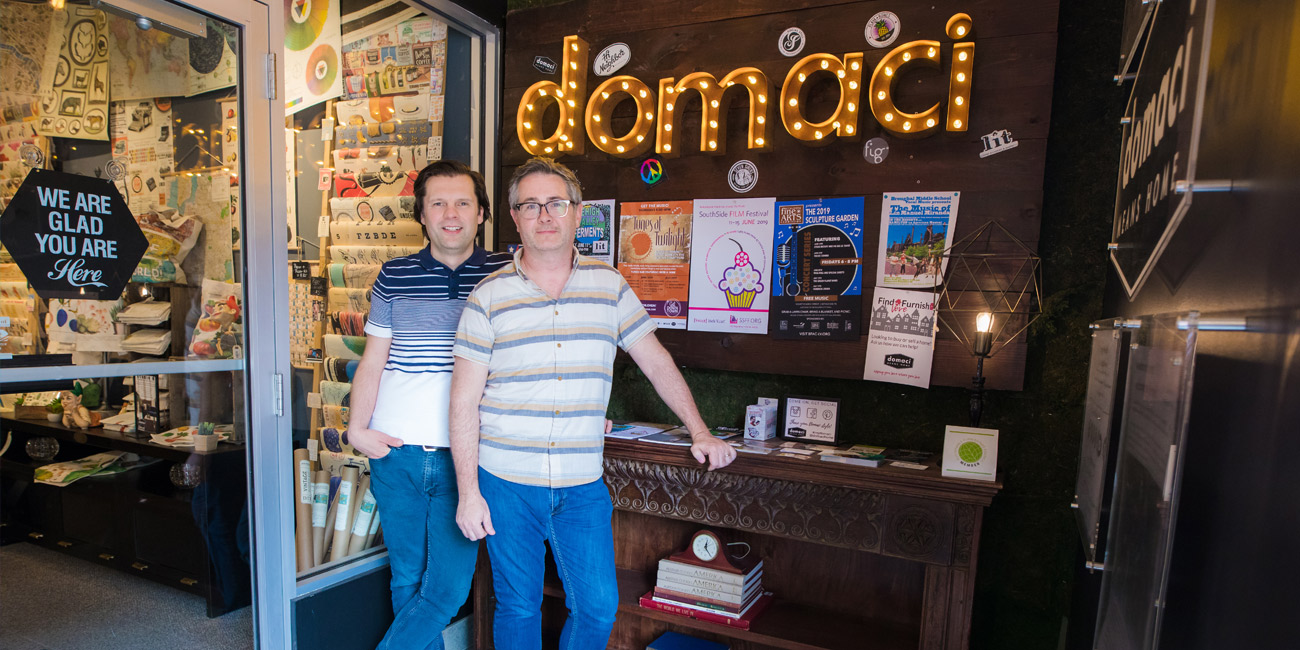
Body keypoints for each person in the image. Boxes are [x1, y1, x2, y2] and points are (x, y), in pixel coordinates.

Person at [448, 158, 737, 650]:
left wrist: (700, 430)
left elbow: (656, 360)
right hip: (505, 482)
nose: (545, 215)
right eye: (531, 205)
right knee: (518, 605)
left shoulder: (610, 285)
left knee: (598, 606)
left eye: (556, 204)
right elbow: (462, 403)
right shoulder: (488, 296)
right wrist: (469, 492)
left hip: (581, 483)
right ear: (514, 217)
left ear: (577, 213)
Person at [347, 160, 511, 650]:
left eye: (462, 202)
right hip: (395, 454)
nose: (450, 213)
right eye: (437, 202)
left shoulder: (504, 276)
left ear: (481, 212)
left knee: (445, 591)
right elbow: (372, 363)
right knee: (406, 582)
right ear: (422, 214)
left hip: (466, 461)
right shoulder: (394, 275)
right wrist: (357, 429)